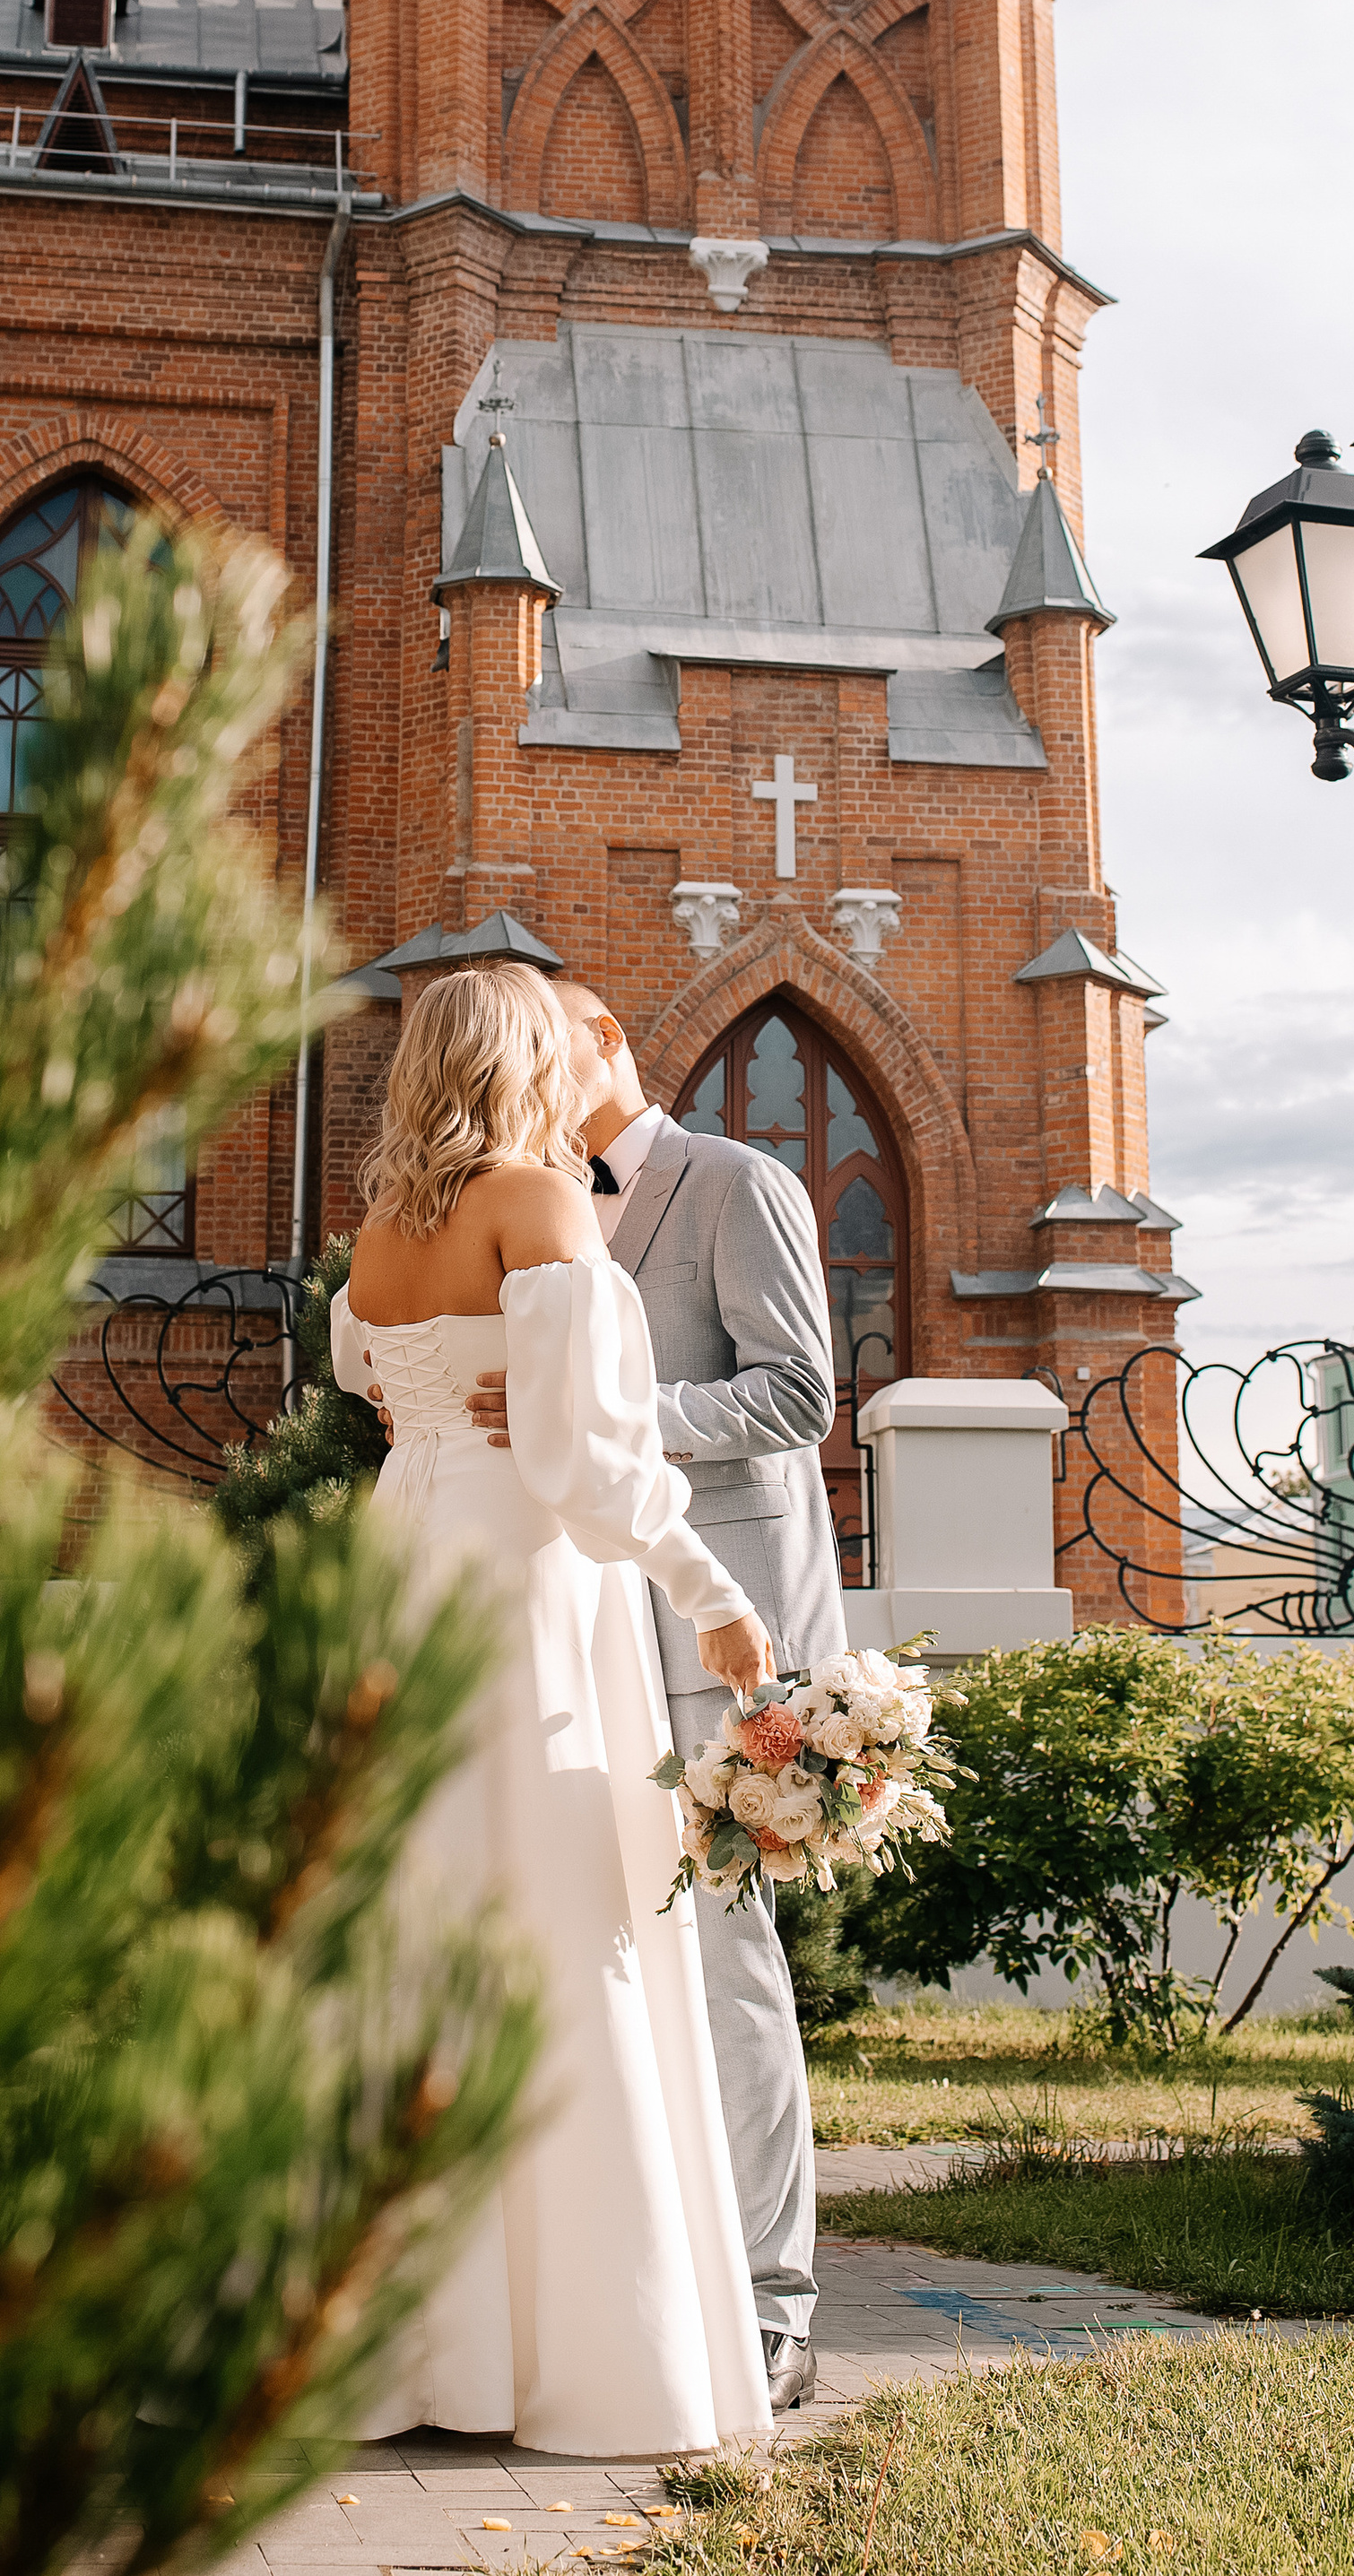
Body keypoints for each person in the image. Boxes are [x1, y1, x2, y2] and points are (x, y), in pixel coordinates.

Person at [334, 961, 775, 2459]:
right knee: (551, 1907)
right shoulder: (539, 1198)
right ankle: (564, 2354)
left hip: (399, 1560)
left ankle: (395, 2344)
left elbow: (373, 1381)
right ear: (529, 1057)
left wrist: (451, 1402)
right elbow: (593, 1461)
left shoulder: (381, 1231)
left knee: (412, 1908)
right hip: (520, 1578)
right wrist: (711, 1590)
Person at [458, 981, 842, 2414]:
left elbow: (797, 1394)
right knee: (599, 1958)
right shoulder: (527, 1200)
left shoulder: (736, 1182)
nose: (528, 1080)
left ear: (608, 1043)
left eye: (546, 1051)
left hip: (709, 1641)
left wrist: (610, 1420)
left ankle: (774, 2305)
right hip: (570, 1633)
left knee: (732, 1963)